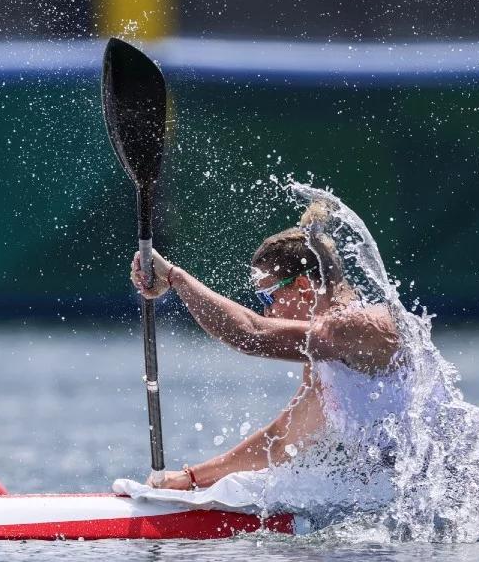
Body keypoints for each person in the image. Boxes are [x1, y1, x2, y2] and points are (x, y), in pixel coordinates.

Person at [130, 202, 400, 490]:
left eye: (268, 298)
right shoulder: (324, 358)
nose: (268, 312)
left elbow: (251, 333)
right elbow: (283, 441)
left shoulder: (357, 328)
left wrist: (175, 278)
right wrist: (191, 478)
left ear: (303, 287)